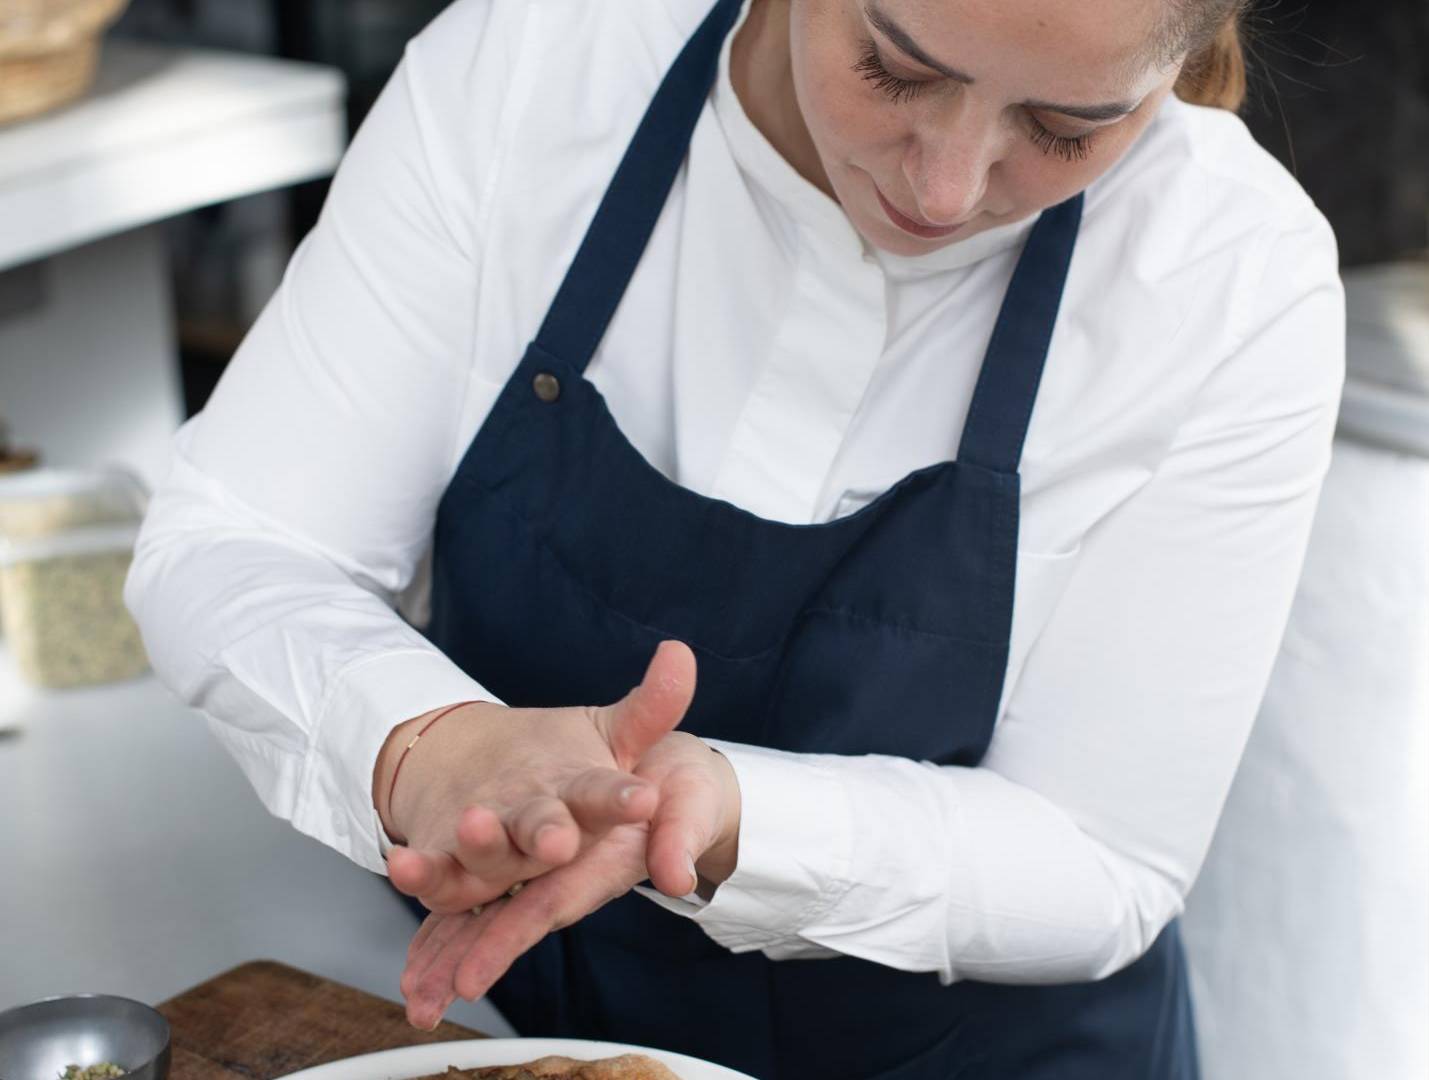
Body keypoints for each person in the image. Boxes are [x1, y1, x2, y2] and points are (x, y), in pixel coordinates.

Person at [124, 0, 1345, 1075]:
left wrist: (721, 809)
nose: (947, 188)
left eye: (1066, 128)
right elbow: (237, 540)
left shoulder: (1231, 275)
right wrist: (421, 744)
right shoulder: (537, 64)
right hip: (521, 1044)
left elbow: (1102, 856)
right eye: (894, 68)